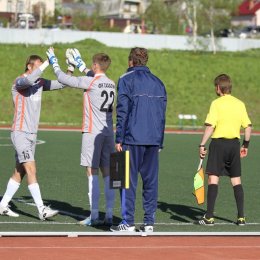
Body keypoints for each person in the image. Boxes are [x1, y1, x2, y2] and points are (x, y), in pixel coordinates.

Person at [46, 47, 115, 226]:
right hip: (108, 133)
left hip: (92, 132)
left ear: (95, 64)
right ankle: (109, 214)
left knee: (91, 172)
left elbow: (63, 78)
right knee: (108, 173)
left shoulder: (89, 82)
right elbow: (93, 75)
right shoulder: (112, 83)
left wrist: (53, 61)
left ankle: (93, 216)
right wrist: (80, 64)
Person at [110, 47, 167, 232]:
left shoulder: (125, 79)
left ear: (131, 61)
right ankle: (149, 223)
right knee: (151, 182)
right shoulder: (159, 82)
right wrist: (160, 140)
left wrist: (119, 138)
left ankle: (127, 221)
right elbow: (162, 115)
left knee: (125, 181)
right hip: (153, 139)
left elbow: (122, 110)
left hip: (131, 137)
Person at [0, 55, 63, 220]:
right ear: (29, 66)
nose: (41, 68)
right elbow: (28, 81)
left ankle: (2, 205)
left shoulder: (40, 82)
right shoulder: (19, 82)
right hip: (20, 132)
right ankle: (41, 209)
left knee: (19, 171)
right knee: (31, 170)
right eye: (38, 65)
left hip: (32, 135)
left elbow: (61, 84)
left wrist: (69, 69)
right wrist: (47, 64)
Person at [195, 73, 252, 226]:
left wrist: (202, 144)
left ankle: (209, 217)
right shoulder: (240, 104)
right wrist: (245, 145)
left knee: (213, 178)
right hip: (234, 145)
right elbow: (248, 127)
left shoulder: (216, 103)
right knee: (236, 180)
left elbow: (210, 126)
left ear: (219, 88)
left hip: (219, 145)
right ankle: (241, 217)